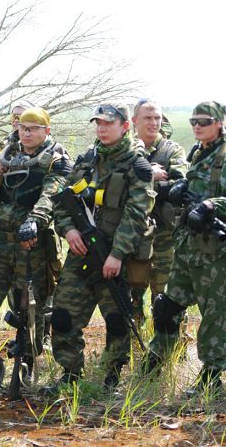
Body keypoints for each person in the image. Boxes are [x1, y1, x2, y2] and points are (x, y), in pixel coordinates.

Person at [48, 102, 154, 391]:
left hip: (115, 258)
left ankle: (111, 380)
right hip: (81, 255)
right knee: (62, 316)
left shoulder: (137, 166)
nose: (102, 128)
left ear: (125, 126)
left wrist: (117, 255)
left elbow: (137, 214)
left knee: (118, 321)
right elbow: (61, 202)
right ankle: (70, 375)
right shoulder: (85, 161)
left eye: (108, 123)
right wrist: (68, 230)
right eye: (98, 123)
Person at [0, 107, 71, 382]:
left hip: (32, 244)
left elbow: (53, 192)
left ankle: (27, 362)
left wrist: (34, 219)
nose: (26, 133)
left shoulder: (56, 159)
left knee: (31, 308)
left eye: (33, 128)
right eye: (23, 128)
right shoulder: (7, 154)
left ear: (46, 131)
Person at [143, 101, 226, 395]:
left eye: (204, 121)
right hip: (188, 248)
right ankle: (154, 364)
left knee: (215, 315)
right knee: (167, 306)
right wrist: (180, 189)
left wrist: (210, 205)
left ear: (219, 122)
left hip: (216, 253)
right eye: (193, 121)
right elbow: (192, 187)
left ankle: (211, 379)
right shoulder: (198, 153)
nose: (197, 126)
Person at [129, 100, 187, 323]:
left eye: (157, 118)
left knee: (166, 293)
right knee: (130, 293)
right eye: (147, 118)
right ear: (134, 121)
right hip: (131, 233)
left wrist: (136, 185)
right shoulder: (126, 150)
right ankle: (133, 348)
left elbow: (178, 187)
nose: (154, 123)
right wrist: (148, 177)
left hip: (165, 235)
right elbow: (113, 185)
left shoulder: (172, 150)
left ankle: (170, 347)